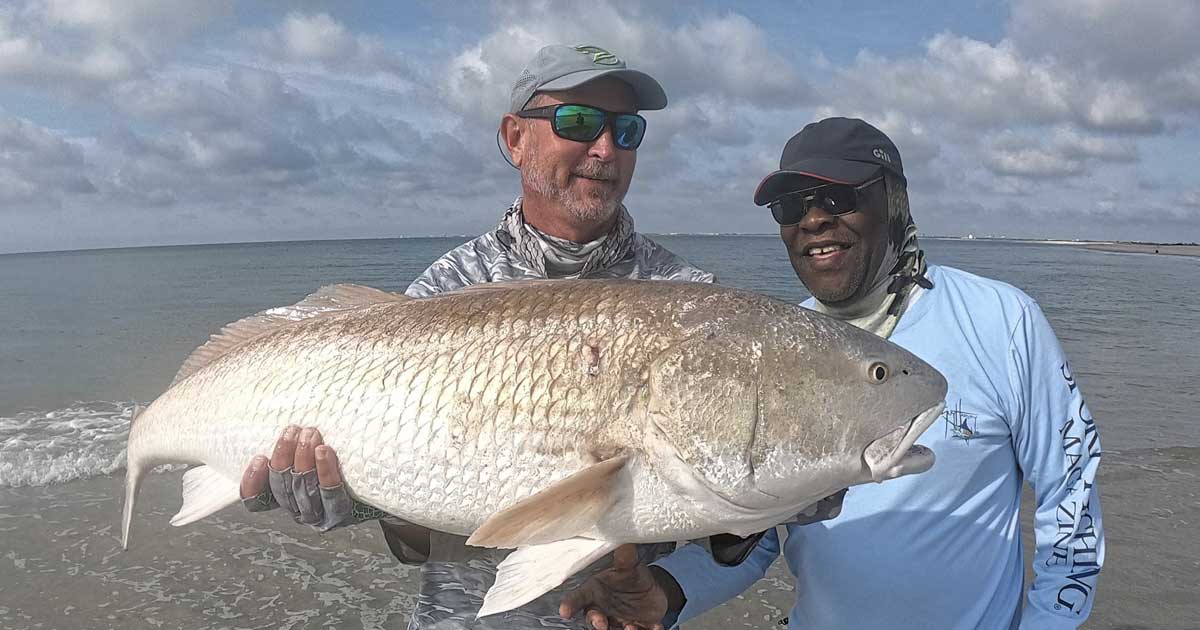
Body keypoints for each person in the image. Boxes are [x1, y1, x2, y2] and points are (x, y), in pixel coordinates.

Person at [235, 44, 713, 630]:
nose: (605, 149)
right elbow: (415, 527)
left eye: (626, 129)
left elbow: (744, 517)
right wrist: (349, 499)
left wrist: (669, 586)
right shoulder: (446, 287)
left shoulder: (692, 300)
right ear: (515, 139)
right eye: (578, 122)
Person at [559, 118, 1105, 630]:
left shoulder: (1004, 321)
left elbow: (1070, 494)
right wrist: (665, 593)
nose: (813, 219)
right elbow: (765, 533)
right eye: (790, 205)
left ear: (894, 202)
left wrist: (1049, 622)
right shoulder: (767, 351)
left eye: (838, 198)